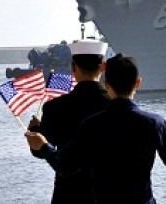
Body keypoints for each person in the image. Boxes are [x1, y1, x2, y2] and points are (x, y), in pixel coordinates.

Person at [26, 53, 166, 204]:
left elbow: (66, 166)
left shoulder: (91, 125)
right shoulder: (154, 123)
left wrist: (43, 146)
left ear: (107, 84)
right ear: (138, 83)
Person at [28, 40, 110, 203]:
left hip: (68, 193)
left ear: (73, 67)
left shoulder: (54, 107)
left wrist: (36, 132)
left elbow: (38, 151)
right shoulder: (115, 106)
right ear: (103, 66)